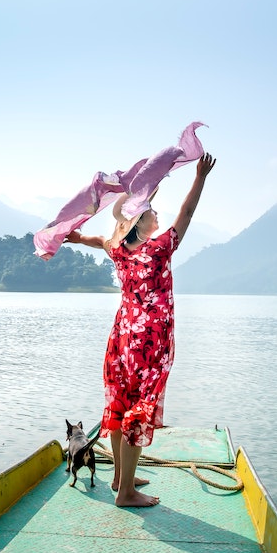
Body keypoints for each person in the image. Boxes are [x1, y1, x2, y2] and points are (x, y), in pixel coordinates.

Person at [64, 153, 215, 507]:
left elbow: (99, 240)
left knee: (120, 403)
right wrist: (200, 177)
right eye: (152, 212)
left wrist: (75, 238)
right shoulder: (160, 249)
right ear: (141, 222)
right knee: (137, 410)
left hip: (122, 335)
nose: (157, 216)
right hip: (149, 340)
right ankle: (127, 493)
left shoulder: (118, 249)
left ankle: (120, 477)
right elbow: (187, 213)